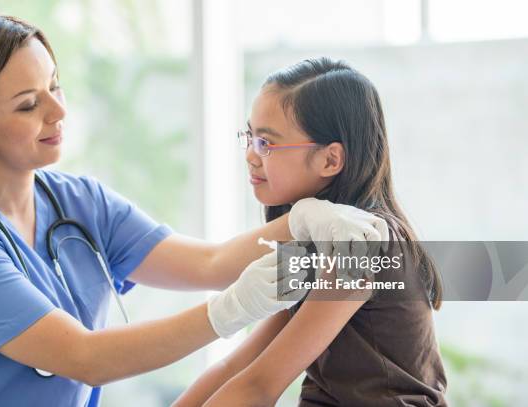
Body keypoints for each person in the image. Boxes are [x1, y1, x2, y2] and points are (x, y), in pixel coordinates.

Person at [0, 12, 389, 407]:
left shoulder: (80, 203)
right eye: (28, 105)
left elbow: (210, 263)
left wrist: (302, 219)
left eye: (55, 87)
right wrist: (232, 309)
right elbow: (84, 357)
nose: (59, 112)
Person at [174, 58, 447, 406]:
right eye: (250, 137)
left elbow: (259, 386)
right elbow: (240, 366)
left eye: (266, 143)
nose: (250, 155)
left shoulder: (359, 244)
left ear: (331, 160)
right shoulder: (313, 241)